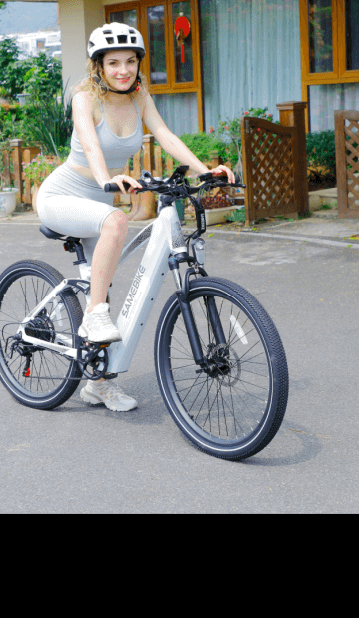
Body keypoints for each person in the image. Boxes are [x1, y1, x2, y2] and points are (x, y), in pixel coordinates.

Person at [35, 22, 235, 412]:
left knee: (102, 281)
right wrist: (107, 179)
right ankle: (93, 316)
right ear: (99, 67)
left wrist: (203, 169)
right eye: (113, 63)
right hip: (64, 194)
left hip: (100, 198)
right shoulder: (84, 99)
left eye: (130, 61)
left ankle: (97, 384)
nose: (123, 70)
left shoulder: (139, 95)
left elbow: (164, 134)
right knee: (115, 227)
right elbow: (91, 147)